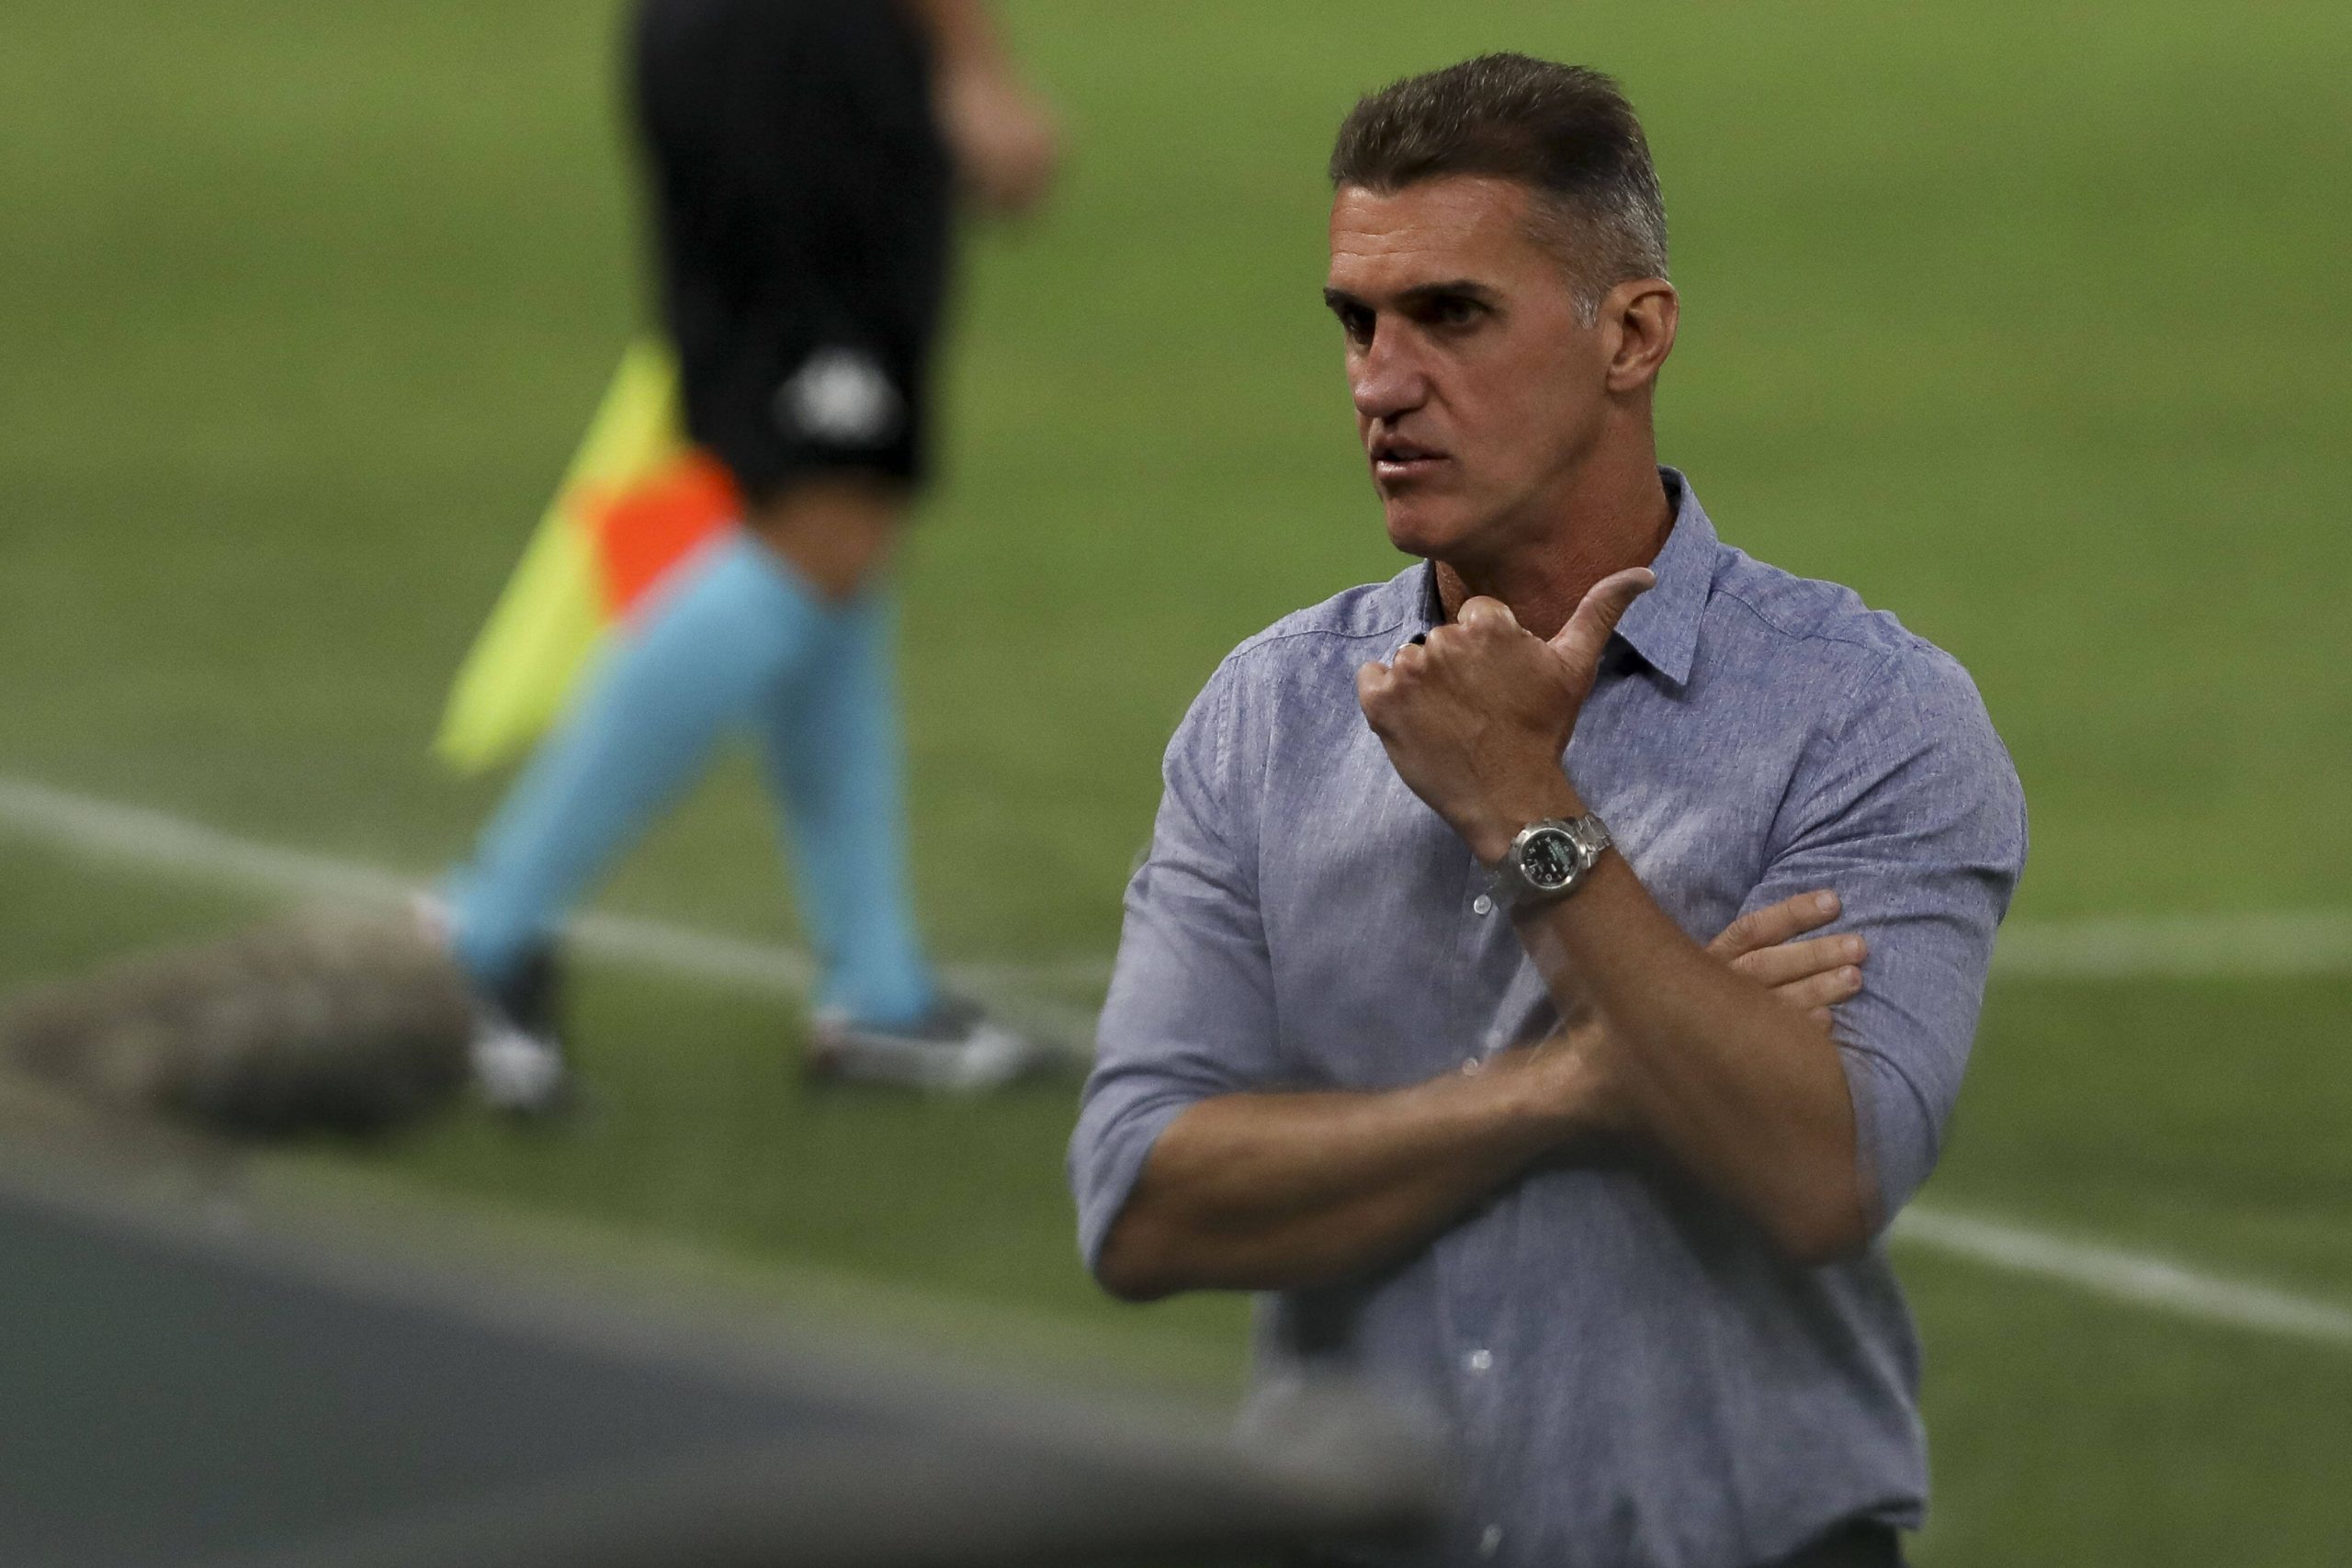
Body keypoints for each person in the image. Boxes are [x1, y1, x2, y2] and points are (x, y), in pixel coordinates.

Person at [1069, 54, 2026, 1568]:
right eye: (1357, 322)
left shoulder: (1864, 715)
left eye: (1450, 315)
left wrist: (1529, 810)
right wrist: (1571, 1085)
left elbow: (1819, 1173)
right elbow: (1143, 1204)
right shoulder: (1267, 716)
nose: (1381, 382)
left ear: (1630, 333)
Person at [444, 0, 1061, 1106]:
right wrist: (976, 66)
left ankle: (875, 991)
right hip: (807, 53)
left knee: (829, 507)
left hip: (728, 43)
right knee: (821, 522)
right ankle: (481, 938)